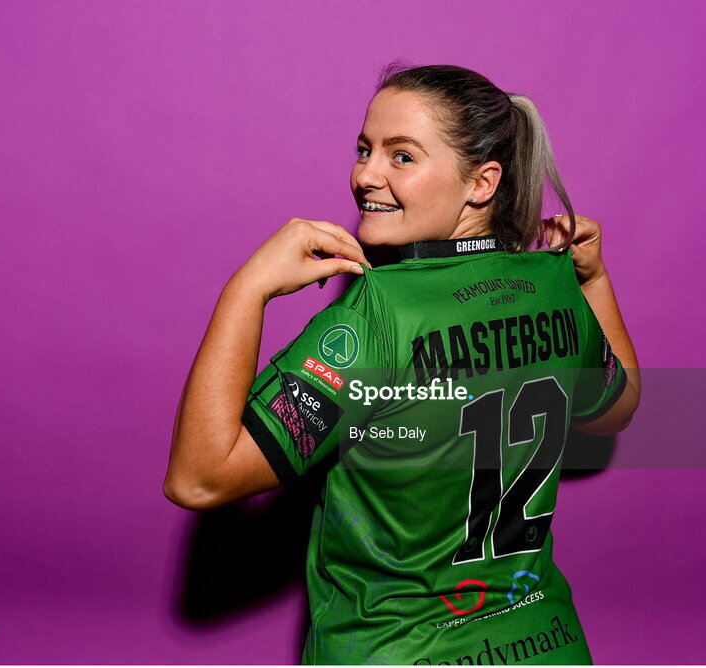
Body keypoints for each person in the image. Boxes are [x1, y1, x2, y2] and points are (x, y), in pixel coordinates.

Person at [164, 63, 641, 665]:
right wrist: (592, 281)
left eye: (402, 157)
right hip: (546, 645)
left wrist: (246, 289)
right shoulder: (552, 288)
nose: (366, 175)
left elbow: (199, 478)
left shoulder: (378, 313)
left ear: (482, 182)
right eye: (365, 149)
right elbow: (617, 408)